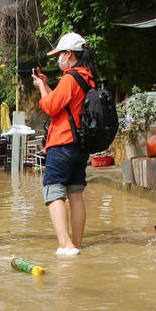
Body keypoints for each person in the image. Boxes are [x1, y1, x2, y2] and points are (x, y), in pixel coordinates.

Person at [31, 31, 96, 257]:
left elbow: (49, 107)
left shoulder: (70, 78)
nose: (58, 59)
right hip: (80, 145)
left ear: (69, 54)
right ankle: (75, 244)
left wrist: (40, 87)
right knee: (75, 194)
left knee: (53, 190)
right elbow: (59, 106)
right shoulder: (87, 77)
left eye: (60, 55)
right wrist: (46, 86)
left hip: (62, 143)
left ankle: (65, 244)